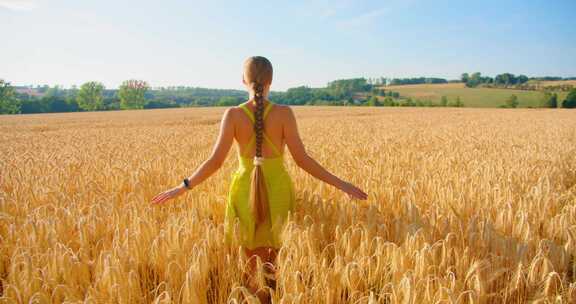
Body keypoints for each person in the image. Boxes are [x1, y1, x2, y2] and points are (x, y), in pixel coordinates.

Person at [151, 56, 367, 302]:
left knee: (250, 266)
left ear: (243, 80)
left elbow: (215, 162)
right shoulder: (284, 114)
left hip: (244, 192)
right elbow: (303, 160)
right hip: (278, 192)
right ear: (271, 81)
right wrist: (342, 185)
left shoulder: (232, 115)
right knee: (273, 266)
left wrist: (183, 186)